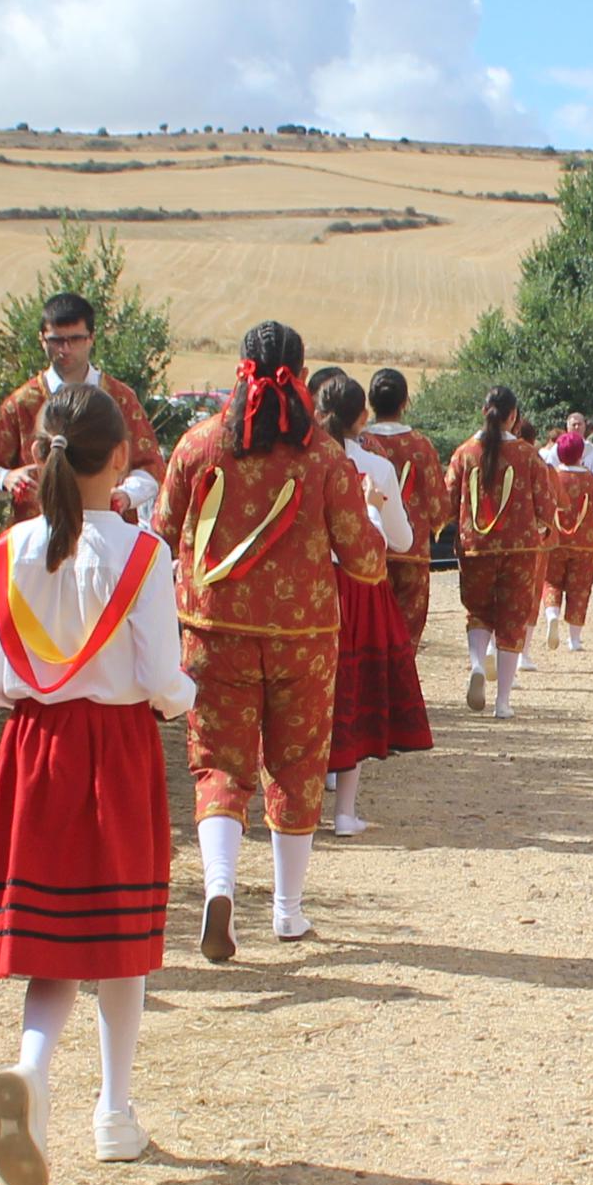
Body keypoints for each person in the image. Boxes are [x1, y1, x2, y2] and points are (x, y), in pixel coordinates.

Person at [0, 385, 195, 1185]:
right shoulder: (142, 553)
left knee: (51, 933)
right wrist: (185, 699)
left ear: (37, 457)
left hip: (34, 749)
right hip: (117, 748)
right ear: (122, 458)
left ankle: (30, 1070)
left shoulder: (6, 553)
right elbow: (163, 678)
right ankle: (114, 1112)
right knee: (120, 932)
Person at [160, 322, 387, 954]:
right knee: (296, 764)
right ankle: (287, 911)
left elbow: (162, 532)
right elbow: (366, 564)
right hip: (304, 637)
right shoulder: (325, 459)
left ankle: (218, 889)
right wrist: (370, 516)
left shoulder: (198, 445)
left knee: (219, 764)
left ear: (240, 369)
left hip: (213, 633)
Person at [318, 373, 434, 834]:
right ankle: (345, 811)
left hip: (309, 584)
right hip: (359, 585)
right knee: (355, 687)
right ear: (360, 418)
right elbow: (401, 539)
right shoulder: (374, 467)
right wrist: (373, 507)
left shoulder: (306, 461)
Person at [0, 291, 164, 516]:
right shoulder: (21, 403)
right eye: (56, 340)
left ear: (91, 338)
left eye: (75, 339)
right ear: (42, 339)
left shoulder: (120, 398)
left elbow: (151, 467)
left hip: (110, 534)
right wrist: (5, 477)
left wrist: (126, 494)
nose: (65, 349)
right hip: (41, 536)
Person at [450, 386, 554, 713]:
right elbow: (546, 504)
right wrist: (541, 526)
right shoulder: (527, 455)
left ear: (484, 411)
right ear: (513, 417)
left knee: (478, 611)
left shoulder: (465, 453)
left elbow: (448, 497)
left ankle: (478, 663)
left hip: (475, 546)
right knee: (512, 618)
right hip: (520, 548)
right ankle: (503, 701)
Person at [358, 369, 452, 669]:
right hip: (412, 551)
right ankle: (398, 682)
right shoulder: (421, 446)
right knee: (407, 626)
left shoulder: (360, 443)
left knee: (368, 624)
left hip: (367, 550)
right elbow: (439, 504)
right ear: (405, 402)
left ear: (371, 402)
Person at [539, 418, 593, 652]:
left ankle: (551, 615)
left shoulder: (551, 478)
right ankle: (574, 639)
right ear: (581, 454)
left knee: (551, 582)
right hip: (585, 543)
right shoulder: (590, 480)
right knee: (579, 588)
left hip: (554, 540)